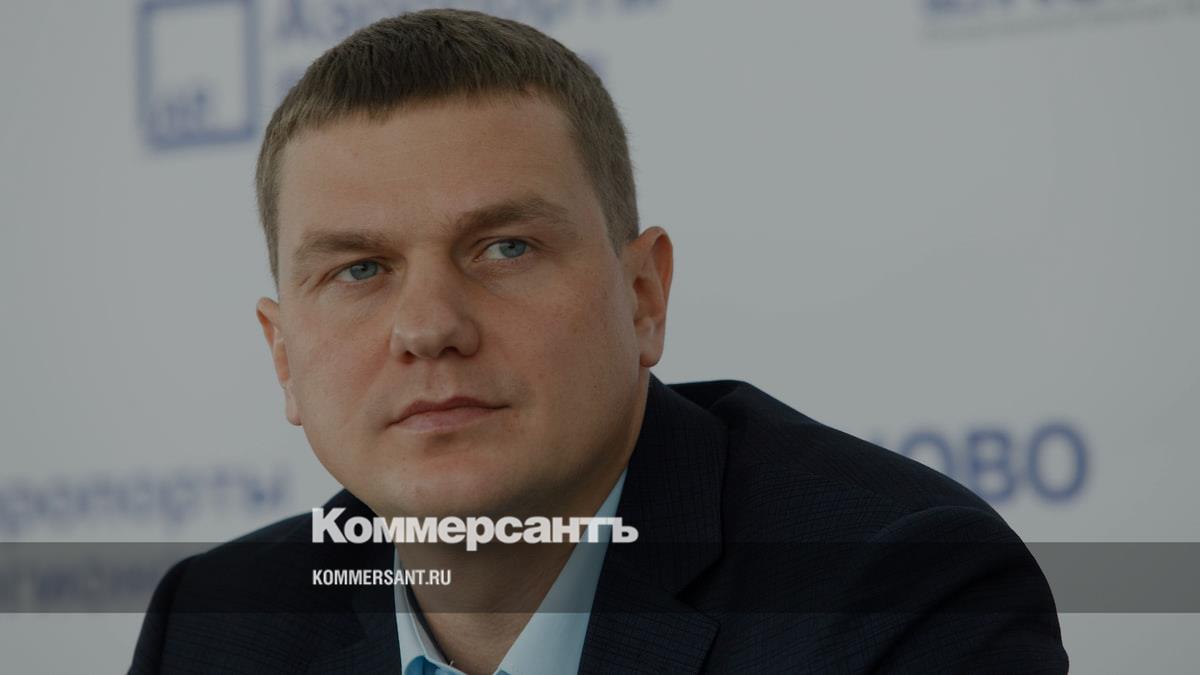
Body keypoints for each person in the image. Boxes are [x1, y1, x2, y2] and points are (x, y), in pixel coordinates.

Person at [131, 9, 1068, 674]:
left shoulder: (895, 595)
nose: (429, 327)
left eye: (505, 247)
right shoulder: (213, 626)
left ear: (644, 297)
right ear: (284, 356)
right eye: (360, 269)